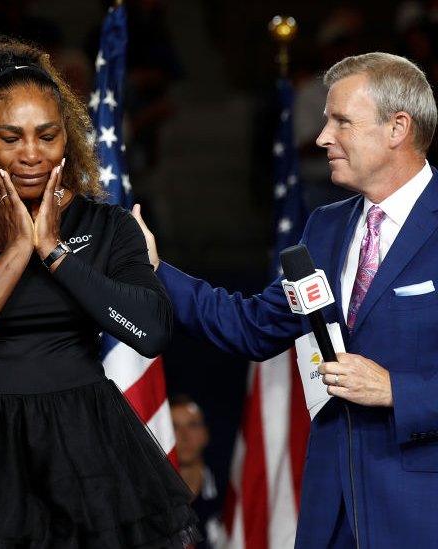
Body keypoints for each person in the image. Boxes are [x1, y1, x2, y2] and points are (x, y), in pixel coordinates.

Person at [0, 37, 200, 547]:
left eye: (47, 136)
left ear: (67, 138)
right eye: (11, 137)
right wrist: (17, 250)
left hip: (86, 443)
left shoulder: (107, 225)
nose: (30, 154)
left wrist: (54, 252)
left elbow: (151, 331)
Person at [133, 52, 438, 547]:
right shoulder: (326, 225)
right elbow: (252, 326)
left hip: (419, 515)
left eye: (341, 121)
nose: (322, 139)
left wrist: (397, 391)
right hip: (329, 514)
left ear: (397, 127)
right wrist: (154, 270)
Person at [169, 396, 222, 549]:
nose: (184, 436)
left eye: (193, 425)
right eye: (174, 427)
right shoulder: (148, 500)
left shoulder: (229, 493)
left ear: (206, 433)